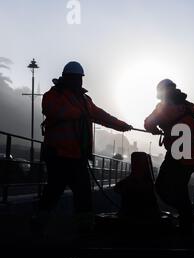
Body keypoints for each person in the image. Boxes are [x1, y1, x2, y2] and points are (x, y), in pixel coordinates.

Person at [32, 61, 132, 235]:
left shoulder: (85, 101)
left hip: (77, 155)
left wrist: (121, 125)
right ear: (67, 78)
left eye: (80, 79)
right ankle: (40, 222)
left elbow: (101, 115)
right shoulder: (53, 95)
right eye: (76, 78)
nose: (79, 82)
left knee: (83, 192)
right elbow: (54, 110)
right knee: (54, 190)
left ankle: (84, 228)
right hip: (58, 154)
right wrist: (81, 113)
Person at [144, 79, 194, 228]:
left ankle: (188, 212)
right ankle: (187, 221)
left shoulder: (163, 107)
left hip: (178, 155)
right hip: (193, 155)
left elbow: (148, 123)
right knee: (180, 188)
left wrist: (159, 130)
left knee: (161, 188)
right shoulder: (189, 106)